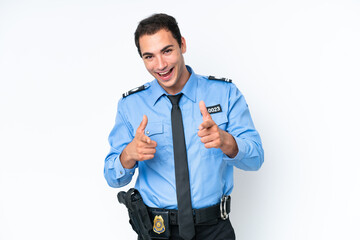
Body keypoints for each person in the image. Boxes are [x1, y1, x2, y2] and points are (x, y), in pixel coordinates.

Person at [104, 13, 264, 240]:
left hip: (214, 230)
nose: (160, 65)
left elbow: (256, 158)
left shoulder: (225, 93)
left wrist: (227, 142)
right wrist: (128, 155)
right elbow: (113, 177)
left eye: (167, 51)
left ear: (182, 45)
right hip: (157, 231)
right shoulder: (130, 106)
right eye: (149, 56)